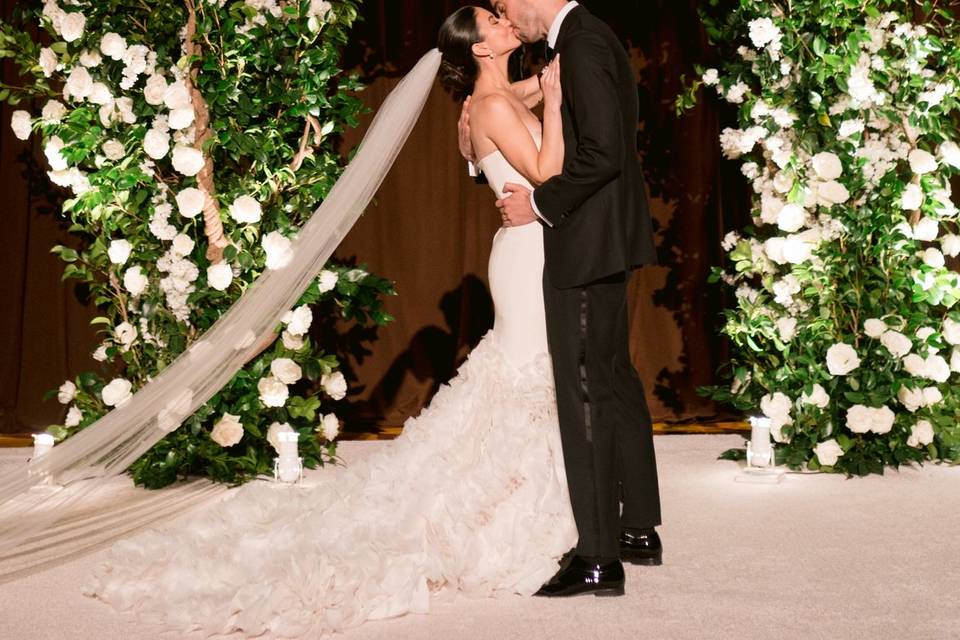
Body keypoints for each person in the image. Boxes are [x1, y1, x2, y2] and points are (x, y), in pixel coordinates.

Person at [85, 7, 594, 637]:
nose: (505, 17)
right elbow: (547, 171)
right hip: (526, 255)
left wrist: (537, 93)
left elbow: (501, 110)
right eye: (494, 19)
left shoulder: (482, 105)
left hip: (526, 249)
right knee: (526, 378)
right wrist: (561, 102)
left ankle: (543, 499)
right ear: (482, 47)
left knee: (526, 378)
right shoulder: (487, 108)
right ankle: (524, 513)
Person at [459, 0, 663, 598]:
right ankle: (635, 529)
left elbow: (600, 152)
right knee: (609, 378)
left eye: (503, 8)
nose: (506, 19)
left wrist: (540, 205)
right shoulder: (584, 39)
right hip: (591, 240)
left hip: (580, 239)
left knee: (586, 387)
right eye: (493, 17)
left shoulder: (580, 45)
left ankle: (600, 554)